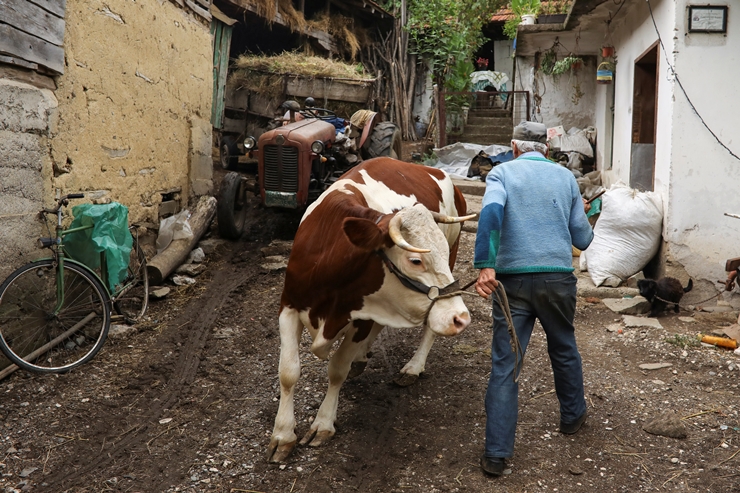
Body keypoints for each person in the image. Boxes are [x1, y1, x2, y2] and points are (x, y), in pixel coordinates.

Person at [473, 121, 594, 477]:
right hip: (558, 281)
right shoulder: (566, 177)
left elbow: (491, 214)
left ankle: (496, 454)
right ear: (546, 148)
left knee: (505, 364)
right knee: (563, 347)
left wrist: (485, 265)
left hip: (511, 286)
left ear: (514, 146)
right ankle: (572, 418)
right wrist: (583, 212)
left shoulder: (501, 174)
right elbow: (582, 239)